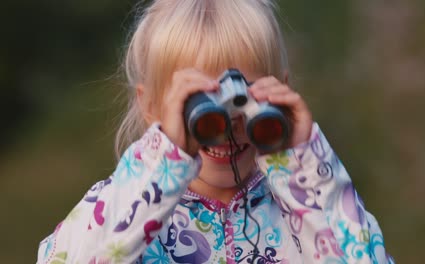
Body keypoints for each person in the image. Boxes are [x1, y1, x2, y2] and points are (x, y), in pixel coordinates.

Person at [37, 0, 394, 263]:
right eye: (201, 102)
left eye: (246, 99)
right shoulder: (120, 207)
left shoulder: (304, 206)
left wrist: (305, 163)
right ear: (151, 106)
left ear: (279, 91)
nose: (227, 126)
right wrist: (164, 161)